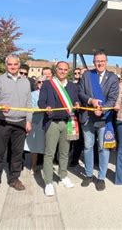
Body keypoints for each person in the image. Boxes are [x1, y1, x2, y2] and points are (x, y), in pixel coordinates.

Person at [0, 54, 32, 196]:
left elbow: (29, 104)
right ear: (6, 65)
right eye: (10, 64)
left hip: (20, 123)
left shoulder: (26, 82)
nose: (12, 67)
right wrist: (0, 106)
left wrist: (29, 121)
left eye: (15, 64)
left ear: (19, 65)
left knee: (17, 154)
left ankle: (14, 179)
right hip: (3, 122)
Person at [78, 51, 119, 191]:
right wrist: (91, 101)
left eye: (102, 61)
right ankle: (89, 174)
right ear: (93, 62)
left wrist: (102, 109)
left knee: (103, 148)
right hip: (88, 117)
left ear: (106, 62)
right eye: (97, 61)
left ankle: (101, 177)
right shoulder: (87, 75)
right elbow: (81, 93)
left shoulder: (113, 77)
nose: (100, 63)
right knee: (88, 147)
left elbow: (113, 98)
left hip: (103, 118)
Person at [38, 61, 80, 196]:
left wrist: (77, 104)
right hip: (52, 123)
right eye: (60, 69)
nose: (62, 71)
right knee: (49, 153)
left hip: (67, 122)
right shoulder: (48, 84)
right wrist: (46, 108)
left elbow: (75, 101)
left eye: (65, 69)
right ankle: (48, 181)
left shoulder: (73, 86)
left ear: (68, 71)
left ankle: (63, 175)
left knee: (64, 152)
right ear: (56, 70)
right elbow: (41, 102)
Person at [24, 76, 46, 174]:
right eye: (39, 82)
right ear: (36, 84)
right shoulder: (32, 95)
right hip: (36, 122)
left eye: (43, 82)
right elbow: (30, 108)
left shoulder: (50, 94)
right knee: (35, 146)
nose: (41, 83)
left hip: (47, 122)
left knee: (47, 145)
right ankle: (33, 166)